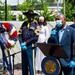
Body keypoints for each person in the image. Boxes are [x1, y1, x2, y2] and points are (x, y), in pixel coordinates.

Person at [18, 10, 40, 75]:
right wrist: (21, 43)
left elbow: (35, 37)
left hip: (31, 46)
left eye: (32, 16)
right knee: (24, 65)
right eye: (29, 15)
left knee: (31, 65)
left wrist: (26, 43)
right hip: (23, 47)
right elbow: (20, 34)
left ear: (34, 16)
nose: (30, 17)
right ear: (27, 16)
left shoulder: (36, 24)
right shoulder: (24, 23)